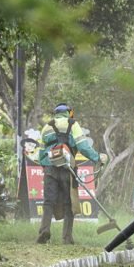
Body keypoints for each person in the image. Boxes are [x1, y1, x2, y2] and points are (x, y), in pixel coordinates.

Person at [36, 103, 102, 245]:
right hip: (68, 168)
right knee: (69, 203)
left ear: (55, 113)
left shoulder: (47, 127)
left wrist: (46, 167)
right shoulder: (73, 124)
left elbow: (40, 153)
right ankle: (67, 238)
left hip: (50, 167)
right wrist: (97, 158)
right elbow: (83, 147)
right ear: (69, 113)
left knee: (48, 201)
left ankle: (44, 231)